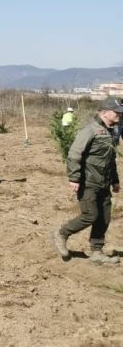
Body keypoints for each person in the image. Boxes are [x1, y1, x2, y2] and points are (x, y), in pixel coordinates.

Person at [52, 97, 123, 265]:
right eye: (116, 112)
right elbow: (74, 154)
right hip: (87, 182)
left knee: (104, 218)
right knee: (90, 215)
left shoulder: (111, 131)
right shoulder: (90, 130)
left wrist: (115, 180)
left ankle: (96, 252)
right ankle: (62, 233)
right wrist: (74, 178)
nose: (119, 114)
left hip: (103, 183)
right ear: (105, 112)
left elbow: (110, 159)